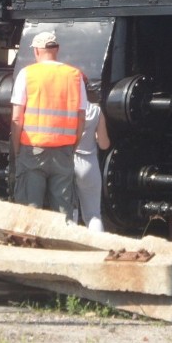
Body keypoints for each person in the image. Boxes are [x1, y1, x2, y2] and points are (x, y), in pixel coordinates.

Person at [11, 30, 86, 221]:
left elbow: (17, 117)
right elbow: (81, 116)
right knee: (63, 212)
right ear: (57, 49)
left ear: (36, 51)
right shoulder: (75, 75)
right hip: (64, 150)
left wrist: (17, 148)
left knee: (30, 210)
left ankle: (28, 246)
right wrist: (72, 146)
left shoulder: (27, 74)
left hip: (32, 149)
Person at [73, 76, 111, 232]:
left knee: (70, 212)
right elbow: (104, 144)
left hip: (68, 161)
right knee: (93, 215)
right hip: (89, 164)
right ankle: (98, 249)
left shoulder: (66, 110)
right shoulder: (96, 111)